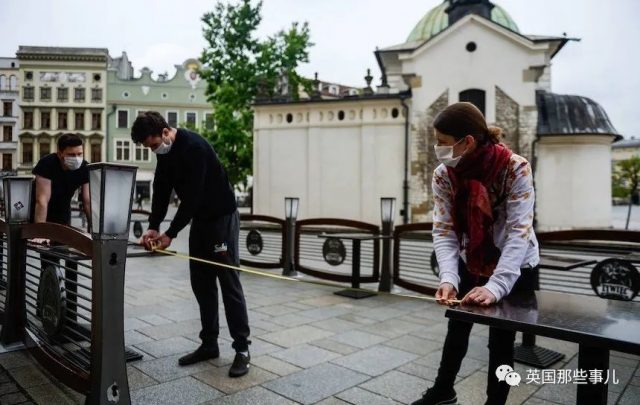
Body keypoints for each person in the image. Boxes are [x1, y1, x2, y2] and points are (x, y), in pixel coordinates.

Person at [412, 102, 540, 405]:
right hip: (473, 258)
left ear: (467, 141)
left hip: (516, 264)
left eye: (443, 143)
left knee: (502, 338)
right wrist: (449, 278)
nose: (437, 149)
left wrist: (496, 286)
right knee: (457, 324)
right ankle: (443, 391)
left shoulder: (514, 167)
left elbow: (518, 231)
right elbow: (445, 230)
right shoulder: (444, 175)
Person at [131, 111, 251, 378]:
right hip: (200, 221)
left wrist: (171, 233)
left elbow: (193, 196)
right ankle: (209, 344)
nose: (153, 151)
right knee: (201, 283)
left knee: (228, 282)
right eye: (148, 148)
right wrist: (153, 226)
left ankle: (242, 349)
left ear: (165, 132)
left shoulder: (194, 147)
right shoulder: (165, 155)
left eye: (153, 145)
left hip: (221, 217)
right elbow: (161, 190)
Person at [32, 133, 91, 237]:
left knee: (61, 248)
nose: (77, 158)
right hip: (39, 212)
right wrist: (39, 233)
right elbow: (42, 200)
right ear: (60, 154)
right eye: (71, 155)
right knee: (43, 247)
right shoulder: (47, 163)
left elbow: (88, 202)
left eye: (80, 154)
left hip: (62, 212)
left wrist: (96, 230)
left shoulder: (84, 167)